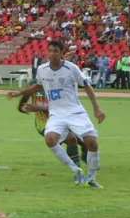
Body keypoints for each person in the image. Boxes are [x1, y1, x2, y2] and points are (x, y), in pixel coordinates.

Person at [7, 40, 106, 188]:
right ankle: (75, 169)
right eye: (50, 50)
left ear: (61, 53)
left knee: (91, 142)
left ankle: (91, 177)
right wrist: (18, 93)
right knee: (50, 139)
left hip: (75, 112)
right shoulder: (42, 69)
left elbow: (87, 86)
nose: (52, 54)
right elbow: (38, 86)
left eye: (55, 51)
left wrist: (97, 109)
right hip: (57, 114)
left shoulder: (72, 68)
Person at [17, 89, 87, 167]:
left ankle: (84, 157)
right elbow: (26, 94)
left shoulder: (58, 87)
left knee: (84, 139)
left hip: (63, 119)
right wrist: (21, 106)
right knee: (71, 139)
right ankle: (76, 167)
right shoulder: (35, 86)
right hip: (44, 124)